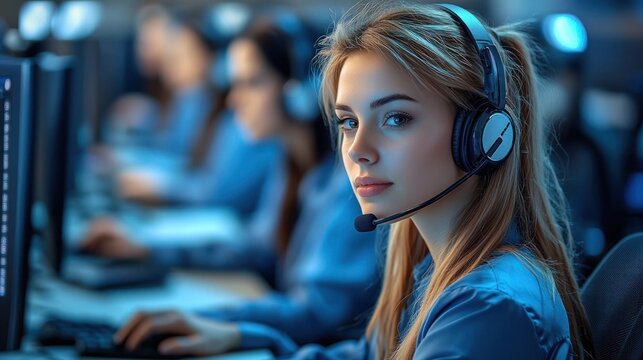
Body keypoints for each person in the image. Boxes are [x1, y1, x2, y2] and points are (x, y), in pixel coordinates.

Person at [107, 4, 596, 359]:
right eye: (347, 121)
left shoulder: (487, 309)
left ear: (483, 136)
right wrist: (239, 338)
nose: (358, 149)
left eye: (397, 118)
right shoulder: (431, 264)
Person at [82, 13, 382, 350]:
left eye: (250, 83)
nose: (233, 100)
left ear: (298, 91)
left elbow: (315, 312)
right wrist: (148, 249)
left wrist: (213, 319)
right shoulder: (293, 164)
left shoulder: (348, 185)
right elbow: (257, 248)